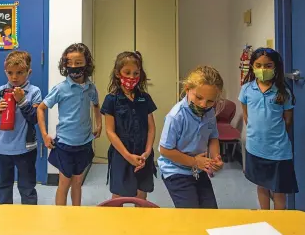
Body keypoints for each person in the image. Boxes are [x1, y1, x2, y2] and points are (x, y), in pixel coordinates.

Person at [38, 43, 102, 206]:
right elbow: (41, 108)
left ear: (86, 63)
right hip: (65, 144)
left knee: (78, 182)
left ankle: (76, 215)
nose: (74, 67)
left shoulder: (90, 87)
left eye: (78, 63)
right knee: (64, 183)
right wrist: (45, 135)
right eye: (70, 63)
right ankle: (61, 218)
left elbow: (95, 104)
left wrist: (99, 123)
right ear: (65, 65)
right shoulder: (60, 89)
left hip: (84, 142)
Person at [239, 47, 298, 210]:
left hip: (278, 150)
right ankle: (265, 217)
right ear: (252, 67)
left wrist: (274, 135)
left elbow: (288, 120)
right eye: (258, 65)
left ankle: (279, 220)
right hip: (255, 147)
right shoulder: (246, 90)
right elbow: (246, 117)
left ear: (276, 67)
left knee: (279, 189)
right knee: (262, 184)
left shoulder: (283, 91)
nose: (263, 70)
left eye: (268, 65)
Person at [158, 66, 224, 209]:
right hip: (176, 170)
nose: (203, 105)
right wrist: (194, 161)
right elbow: (164, 150)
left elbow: (213, 137)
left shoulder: (210, 112)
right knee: (190, 213)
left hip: (198, 169)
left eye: (210, 101)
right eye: (199, 97)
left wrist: (215, 157)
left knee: (211, 211)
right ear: (187, 89)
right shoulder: (176, 116)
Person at [0, 51, 41, 205]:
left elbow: (34, 118)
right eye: (10, 73)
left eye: (20, 73)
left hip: (25, 149)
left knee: (27, 187)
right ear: (5, 72)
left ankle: (30, 218)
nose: (14, 77)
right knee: (3, 186)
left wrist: (22, 101)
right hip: (1, 149)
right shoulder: (0, 91)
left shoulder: (34, 92)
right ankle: (4, 217)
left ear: (29, 72)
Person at [100, 51, 157, 200]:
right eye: (127, 72)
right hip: (121, 154)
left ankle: (139, 223)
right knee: (119, 195)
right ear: (118, 74)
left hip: (143, 154)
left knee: (140, 194)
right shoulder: (111, 99)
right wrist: (127, 156)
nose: (132, 77)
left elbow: (151, 127)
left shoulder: (145, 98)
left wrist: (148, 151)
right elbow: (110, 131)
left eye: (136, 73)